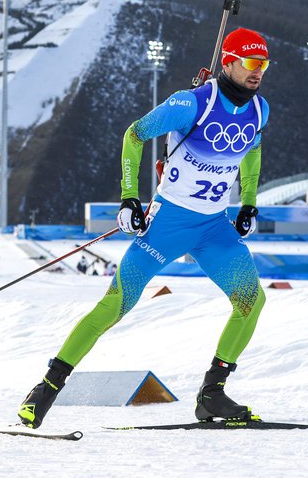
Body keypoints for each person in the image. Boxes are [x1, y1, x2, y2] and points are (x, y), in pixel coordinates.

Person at [18, 27, 272, 429]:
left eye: (264, 64)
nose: (259, 71)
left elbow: (252, 152)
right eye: (251, 63)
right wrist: (129, 198)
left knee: (250, 302)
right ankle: (46, 389)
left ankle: (212, 394)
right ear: (229, 62)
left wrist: (249, 203)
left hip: (213, 228)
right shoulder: (192, 103)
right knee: (115, 305)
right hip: (168, 224)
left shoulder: (260, 109)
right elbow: (134, 135)